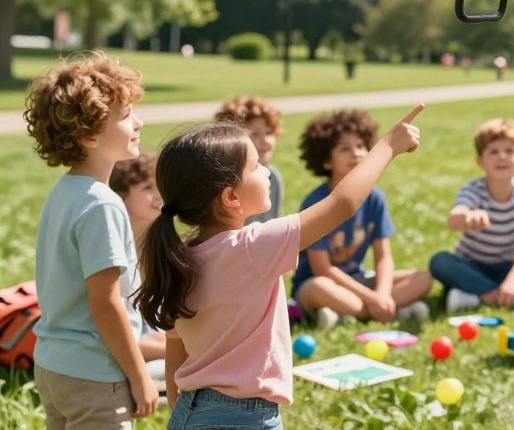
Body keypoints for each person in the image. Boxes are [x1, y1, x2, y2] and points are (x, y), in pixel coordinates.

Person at [135, 105, 422, 427]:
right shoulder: (253, 247)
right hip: (242, 416)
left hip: (189, 411)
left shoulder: (179, 258)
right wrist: (387, 146)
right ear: (230, 198)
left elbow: (176, 350)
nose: (267, 172)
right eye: (257, 167)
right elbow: (342, 204)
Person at [24, 52, 159, 427]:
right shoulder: (103, 205)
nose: (139, 121)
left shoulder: (64, 191)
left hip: (54, 366)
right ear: (88, 135)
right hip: (96, 377)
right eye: (125, 115)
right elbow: (106, 305)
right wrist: (139, 375)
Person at [290, 109, 433, 328]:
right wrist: (371, 298)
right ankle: (390, 311)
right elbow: (323, 269)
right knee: (317, 288)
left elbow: (383, 256)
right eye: (344, 149)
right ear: (327, 161)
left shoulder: (375, 198)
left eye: (360, 146)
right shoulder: (316, 202)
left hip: (359, 279)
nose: (356, 153)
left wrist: (382, 293)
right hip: (324, 284)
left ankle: (353, 313)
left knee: (423, 278)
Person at [429, 118, 514, 312]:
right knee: (440, 261)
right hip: (471, 267)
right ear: (480, 161)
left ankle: (476, 297)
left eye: (509, 151)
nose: (502, 157)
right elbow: (454, 219)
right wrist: (468, 217)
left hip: (507, 269)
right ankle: (497, 297)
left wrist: (513, 282)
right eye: (493, 151)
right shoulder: (473, 189)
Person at [109, 151, 166, 397]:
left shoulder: (160, 248)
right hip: (125, 355)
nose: (158, 196)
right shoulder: (116, 253)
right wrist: (175, 349)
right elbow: (121, 336)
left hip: (153, 345)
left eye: (159, 187)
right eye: (147, 188)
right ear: (122, 196)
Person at [214, 95, 285, 224]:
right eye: (255, 134)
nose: (266, 141)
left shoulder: (273, 176)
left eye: (269, 132)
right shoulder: (225, 183)